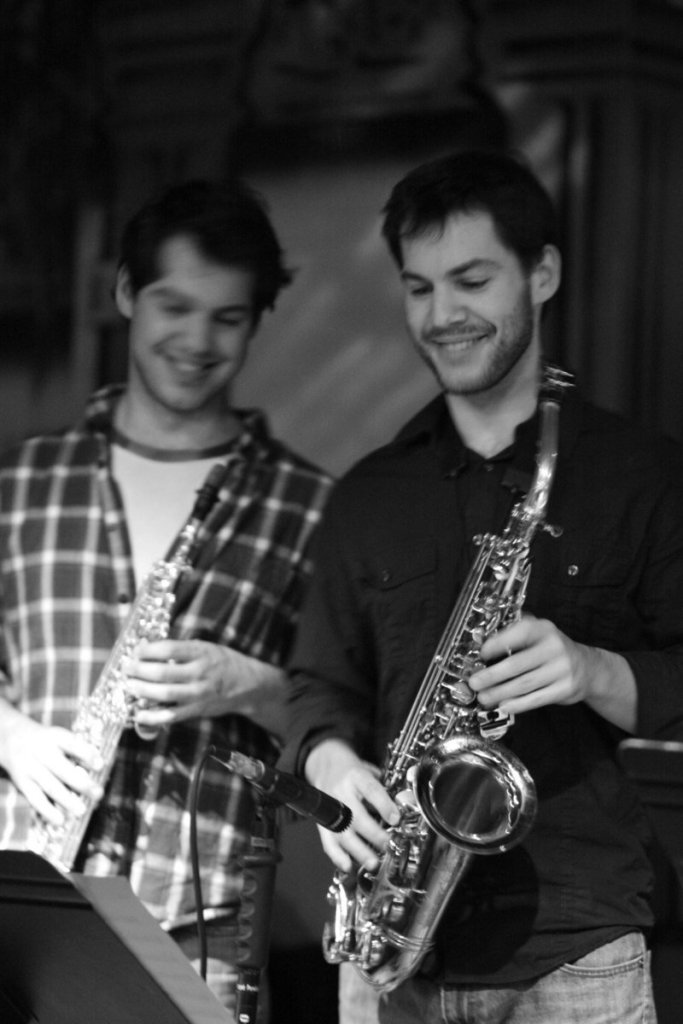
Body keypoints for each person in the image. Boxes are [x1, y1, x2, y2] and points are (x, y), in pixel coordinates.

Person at [283, 149, 683, 1024]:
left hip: (579, 951)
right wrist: (331, 763)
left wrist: (589, 670)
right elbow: (317, 687)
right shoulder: (368, 495)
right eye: (419, 288)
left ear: (542, 273)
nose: (442, 315)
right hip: (388, 953)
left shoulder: (641, 475)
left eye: (470, 280)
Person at [0, 178, 332, 1018]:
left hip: (199, 921)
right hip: (22, 907)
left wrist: (247, 686)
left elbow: (351, 725)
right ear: (123, 294)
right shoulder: (20, 484)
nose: (195, 341)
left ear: (258, 321)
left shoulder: (314, 505)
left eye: (226, 318)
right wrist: (12, 737)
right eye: (172, 307)